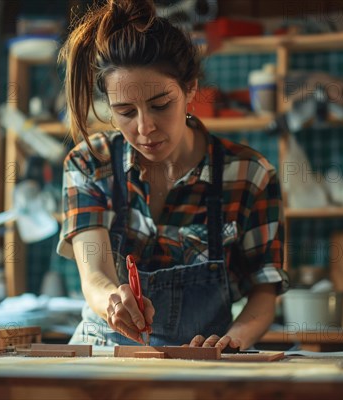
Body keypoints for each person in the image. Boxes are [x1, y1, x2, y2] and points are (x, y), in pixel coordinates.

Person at [57, 0, 288, 350]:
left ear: (190, 89)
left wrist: (230, 343)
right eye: (125, 111)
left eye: (160, 105)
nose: (145, 127)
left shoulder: (248, 175)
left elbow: (264, 292)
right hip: (103, 349)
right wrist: (113, 303)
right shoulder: (90, 163)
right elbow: (96, 277)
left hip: (202, 358)